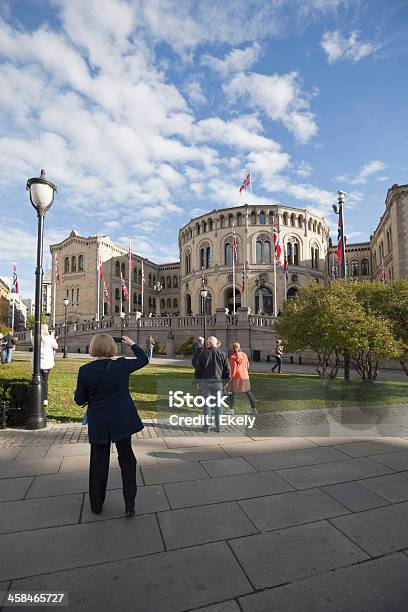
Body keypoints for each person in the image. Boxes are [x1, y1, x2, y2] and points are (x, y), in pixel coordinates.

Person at [74, 333, 148, 516]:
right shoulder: (122, 365)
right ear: (111, 348)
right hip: (122, 419)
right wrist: (132, 344)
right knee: (127, 459)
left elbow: (79, 399)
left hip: (99, 420)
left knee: (98, 463)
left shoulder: (85, 370)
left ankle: (96, 505)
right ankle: (129, 504)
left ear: (93, 348)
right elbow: (144, 359)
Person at [194, 336, 231, 433]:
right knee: (218, 405)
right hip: (218, 383)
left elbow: (198, 369)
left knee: (207, 405)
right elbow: (227, 369)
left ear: (208, 344)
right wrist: (226, 381)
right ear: (216, 343)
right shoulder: (222, 353)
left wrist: (197, 381)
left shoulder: (202, 354)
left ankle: (207, 427)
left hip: (206, 382)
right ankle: (218, 427)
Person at [227, 342, 256, 415]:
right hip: (245, 376)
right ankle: (254, 409)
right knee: (248, 392)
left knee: (231, 392)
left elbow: (233, 370)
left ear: (232, 348)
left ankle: (231, 409)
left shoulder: (232, 357)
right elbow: (247, 365)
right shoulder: (244, 355)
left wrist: (230, 378)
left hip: (236, 377)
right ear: (239, 347)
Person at [38, 324, 58, 406]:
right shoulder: (49, 338)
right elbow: (56, 346)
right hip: (46, 362)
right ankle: (44, 399)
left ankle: (38, 397)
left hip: (37, 362)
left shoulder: (35, 337)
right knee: (45, 381)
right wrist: (53, 337)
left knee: (38, 379)